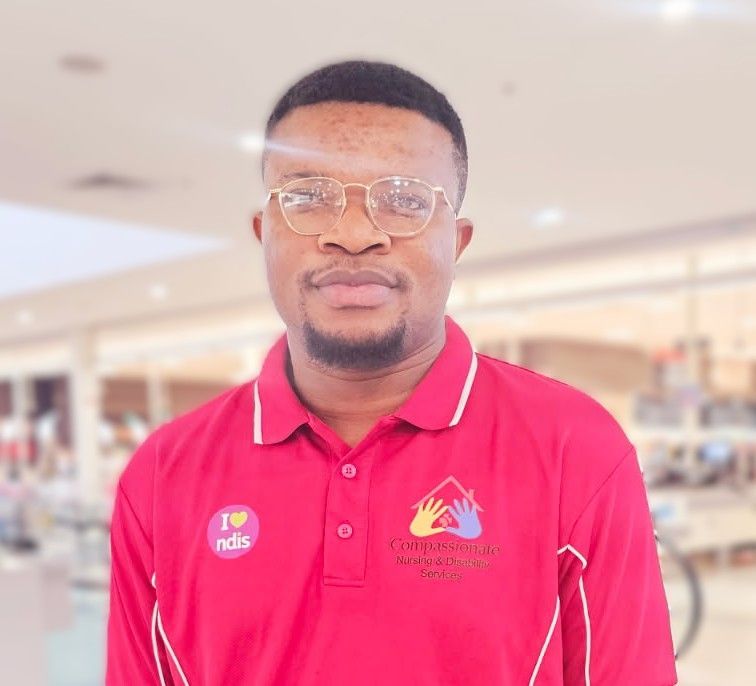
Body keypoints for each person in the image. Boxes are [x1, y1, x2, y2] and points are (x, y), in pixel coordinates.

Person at [106, 60, 678, 685]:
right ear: (264, 232)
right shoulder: (162, 474)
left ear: (456, 241)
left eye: (404, 200)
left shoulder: (575, 449)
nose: (354, 235)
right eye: (308, 198)